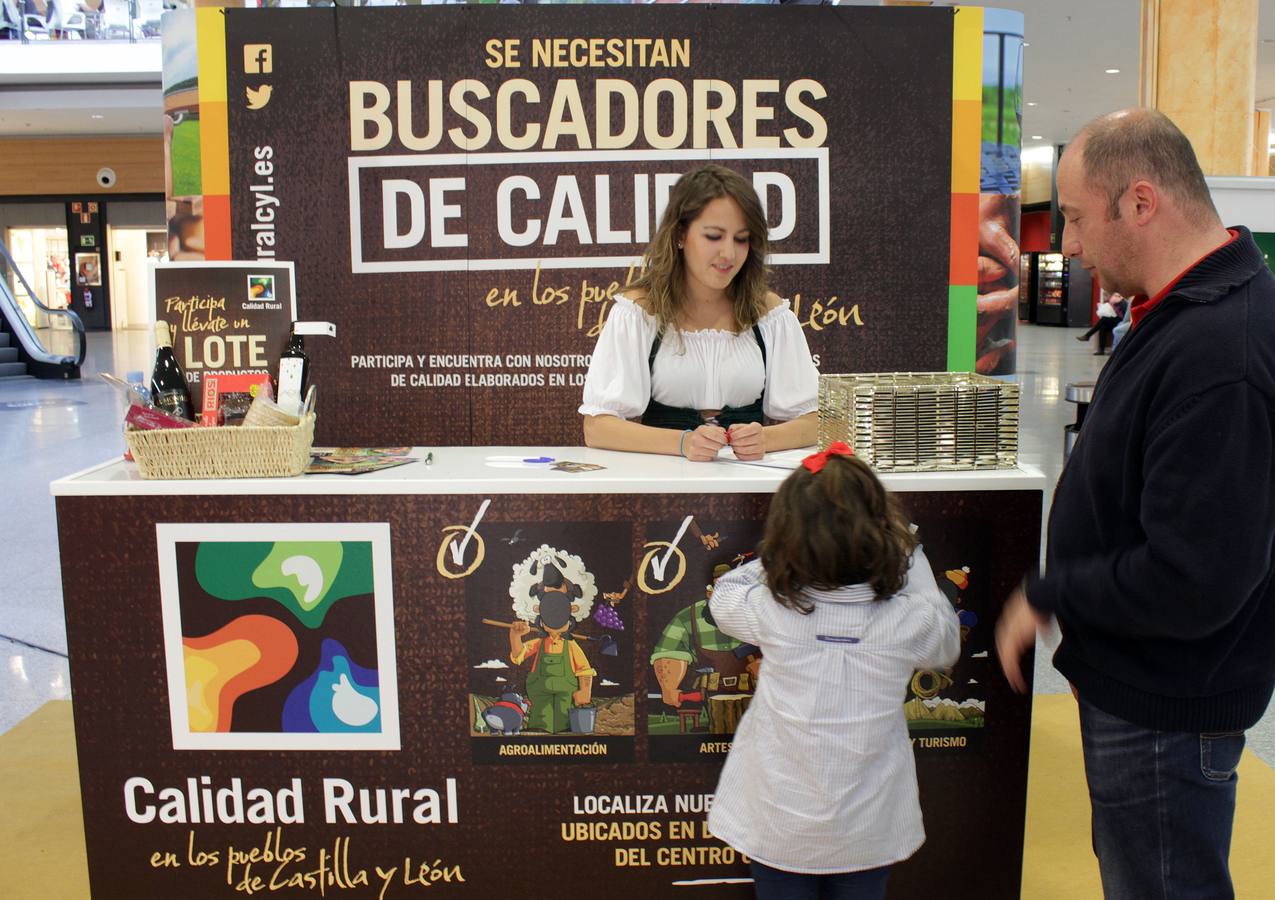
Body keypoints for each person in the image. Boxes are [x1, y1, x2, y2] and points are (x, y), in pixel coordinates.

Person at [995, 108, 1275, 899]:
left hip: (1167, 710)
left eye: (1078, 219)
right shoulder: (1182, 314)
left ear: (1141, 202)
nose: (1070, 245)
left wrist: (1050, 594)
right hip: (1144, 686)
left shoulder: (1223, 351)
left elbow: (1195, 578)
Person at [707, 444, 960, 899]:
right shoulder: (910, 623)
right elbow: (946, 638)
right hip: (868, 828)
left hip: (778, 822)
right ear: (885, 535)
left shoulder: (771, 609)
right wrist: (910, 554)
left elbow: (723, 596)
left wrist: (775, 564)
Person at [579, 164, 819, 462]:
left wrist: (766, 438)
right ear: (680, 234)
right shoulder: (638, 312)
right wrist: (683, 443)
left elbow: (816, 421)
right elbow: (598, 429)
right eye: (714, 236)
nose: (729, 254)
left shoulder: (770, 314)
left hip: (749, 494)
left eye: (741, 238)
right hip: (665, 492)